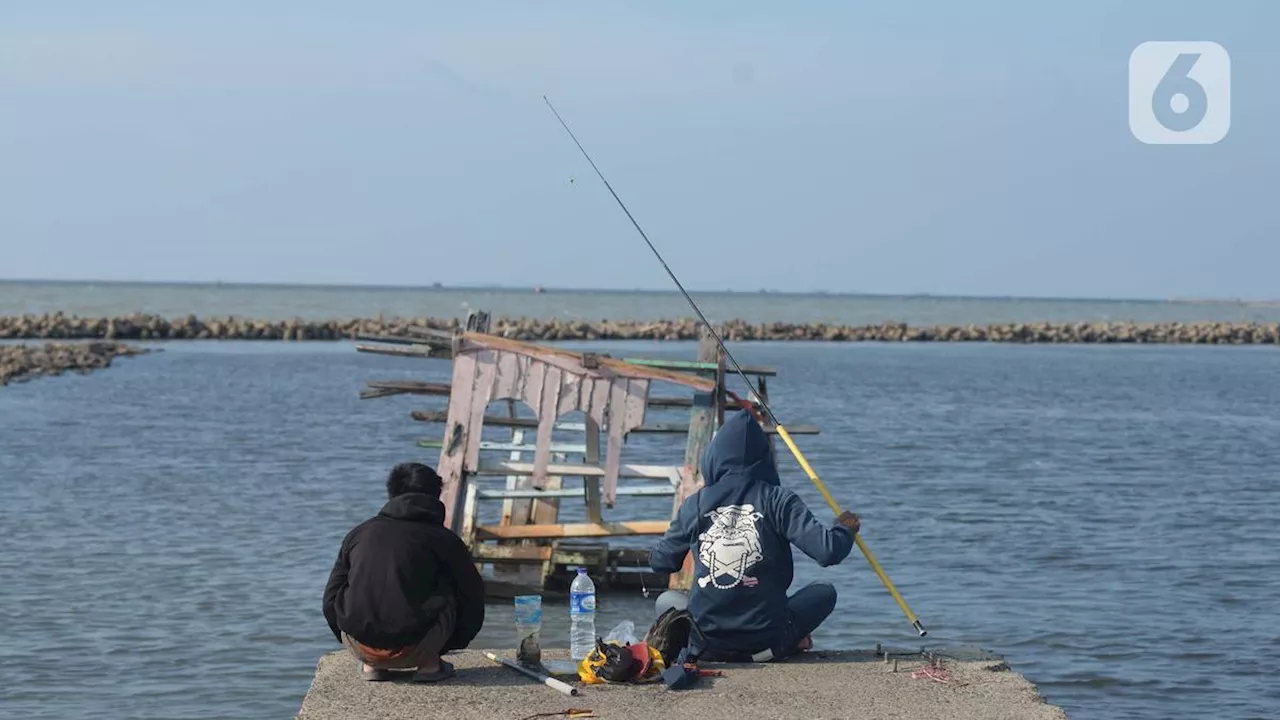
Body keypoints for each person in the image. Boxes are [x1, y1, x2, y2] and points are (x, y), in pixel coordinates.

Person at [649, 410, 861, 661]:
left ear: (714, 457)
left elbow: (661, 562)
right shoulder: (779, 500)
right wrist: (844, 529)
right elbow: (828, 551)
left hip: (706, 643)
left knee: (667, 600)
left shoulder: (696, 503)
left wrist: (687, 526)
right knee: (825, 592)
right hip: (767, 640)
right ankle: (786, 643)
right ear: (765, 460)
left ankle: (709, 647)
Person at [322, 462, 485, 682]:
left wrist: (349, 637)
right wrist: (446, 646)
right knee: (451, 584)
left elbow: (330, 598)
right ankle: (429, 666)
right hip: (420, 647)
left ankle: (372, 666)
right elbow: (473, 599)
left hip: (358, 646)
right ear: (435, 496)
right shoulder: (445, 540)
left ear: (392, 494)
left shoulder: (360, 533)